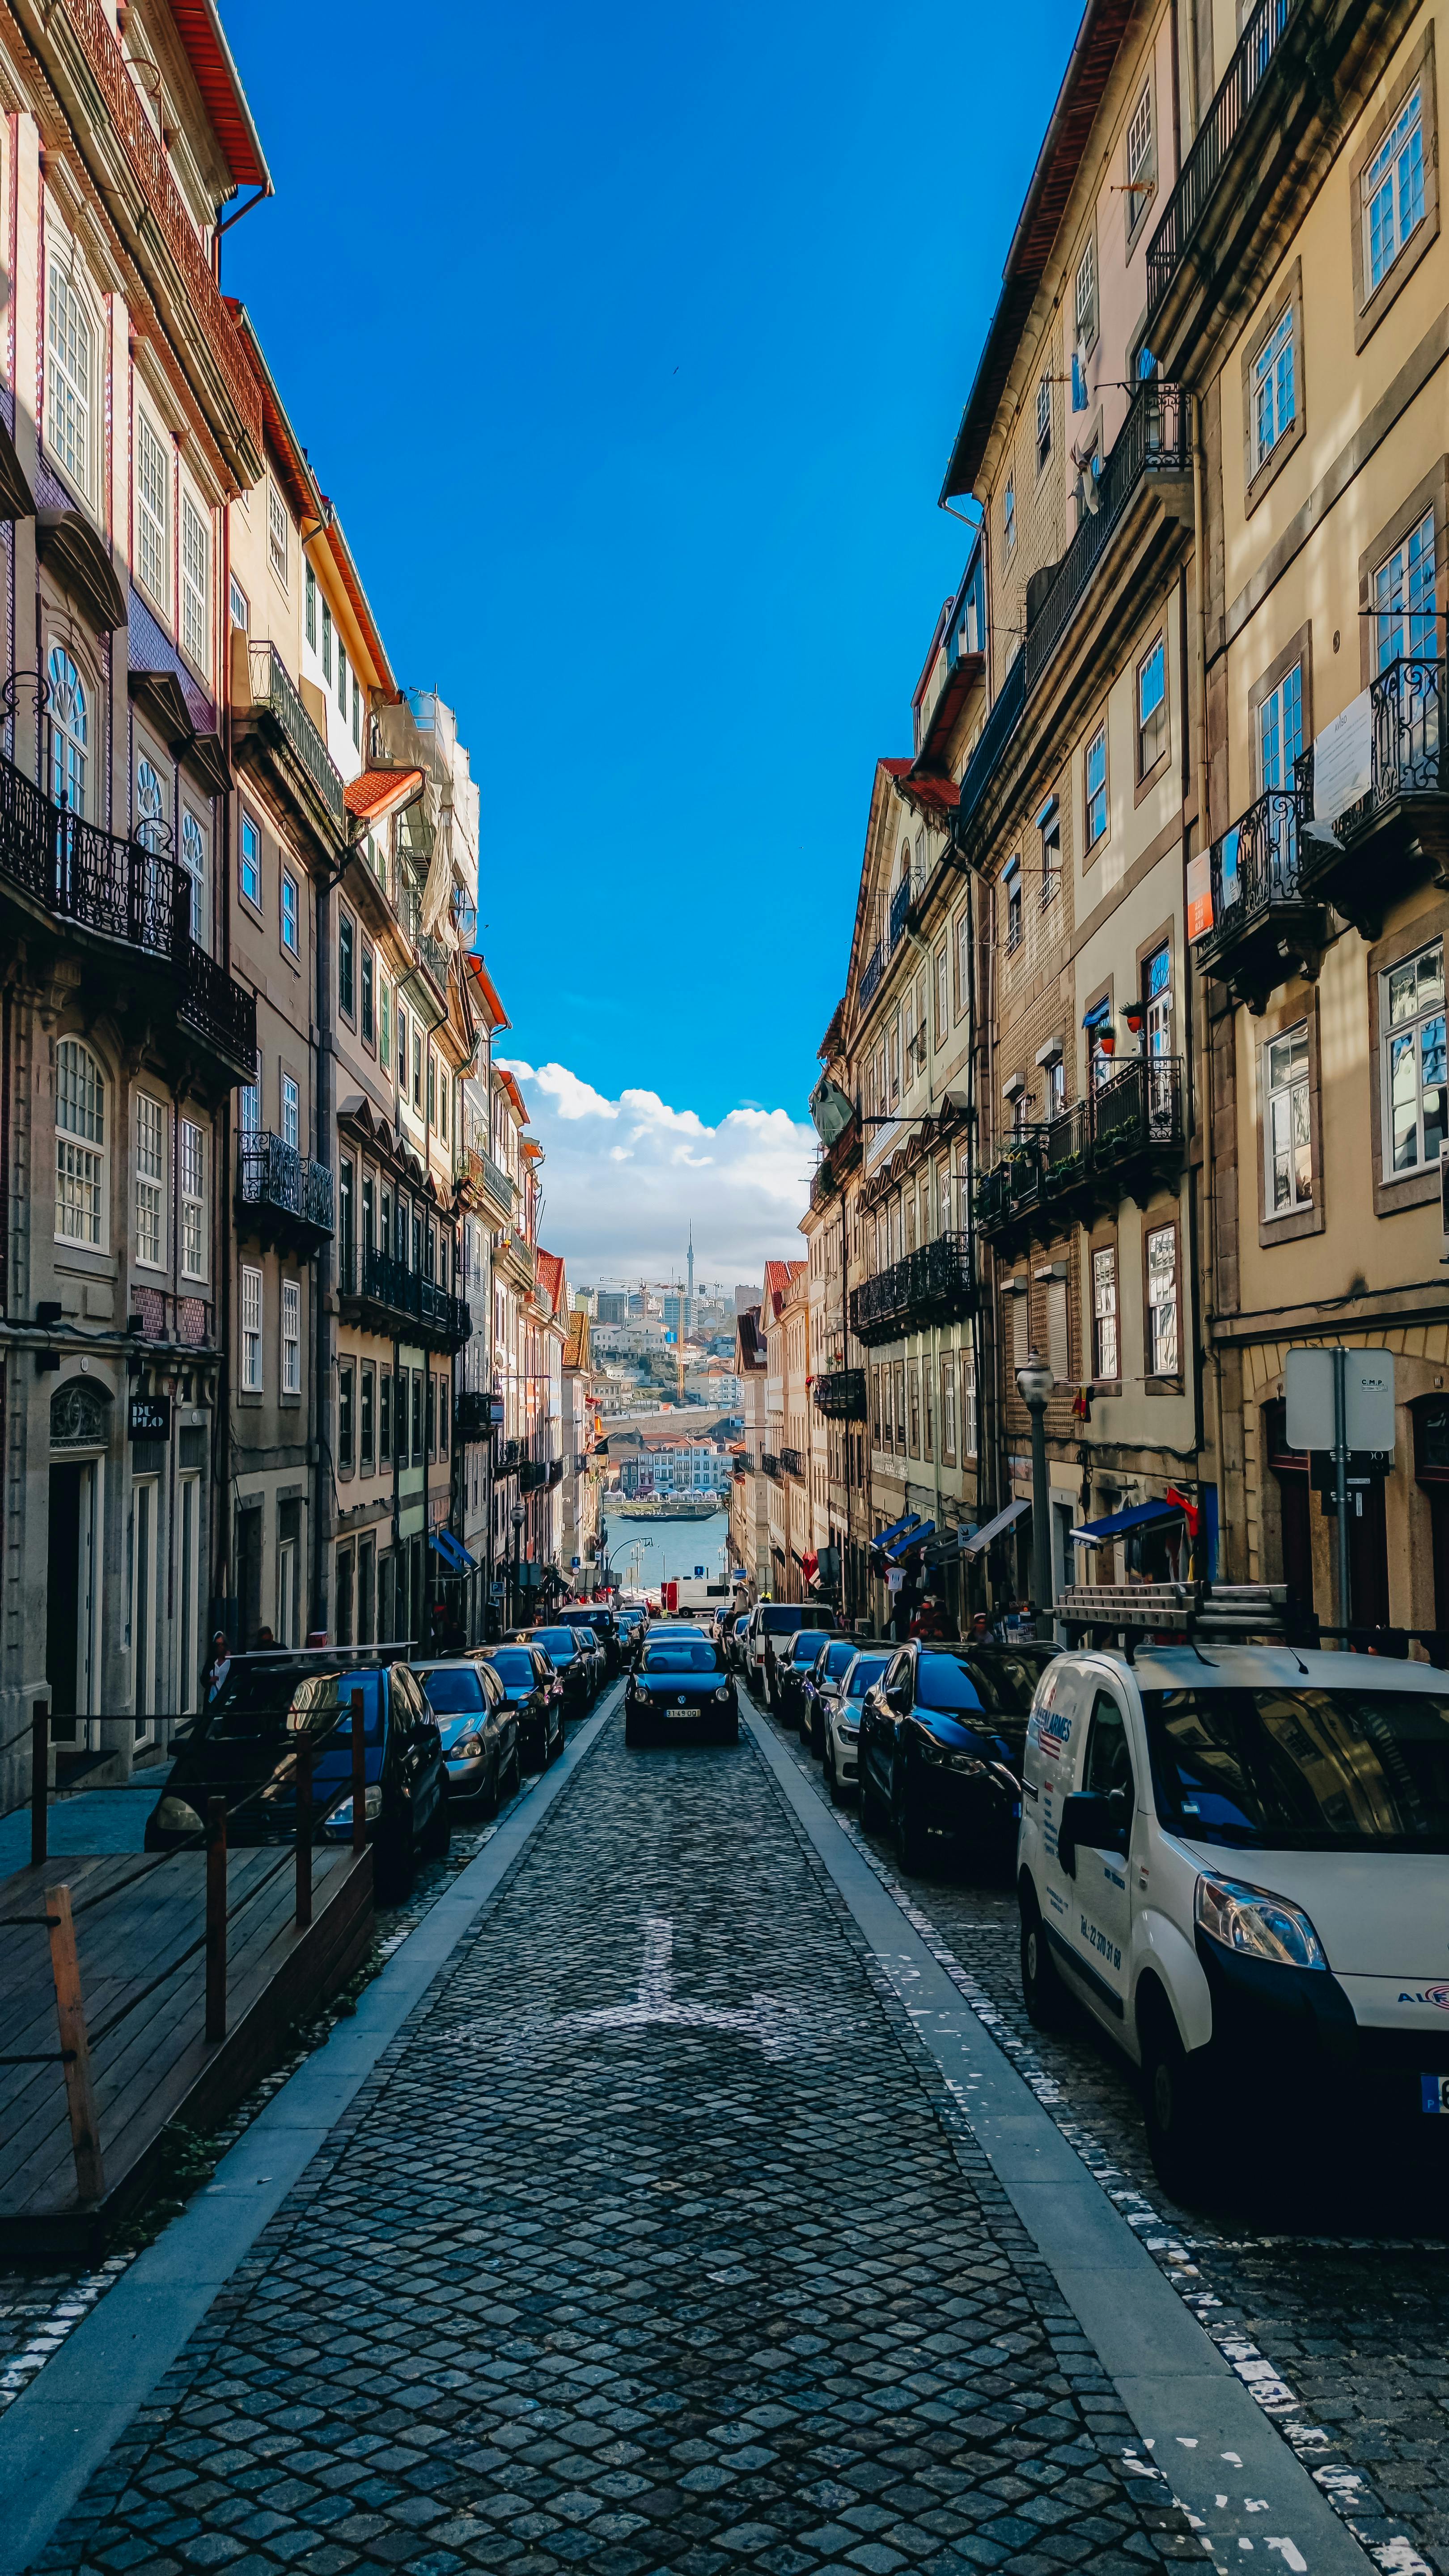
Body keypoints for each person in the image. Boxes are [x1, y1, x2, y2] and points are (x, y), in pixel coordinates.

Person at [203, 1631, 230, 1703]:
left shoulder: (232, 1660)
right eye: (217, 1645)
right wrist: (210, 1681)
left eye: (222, 1644)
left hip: (227, 1701)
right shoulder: (212, 1660)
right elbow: (203, 1678)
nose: (220, 1647)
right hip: (212, 1700)